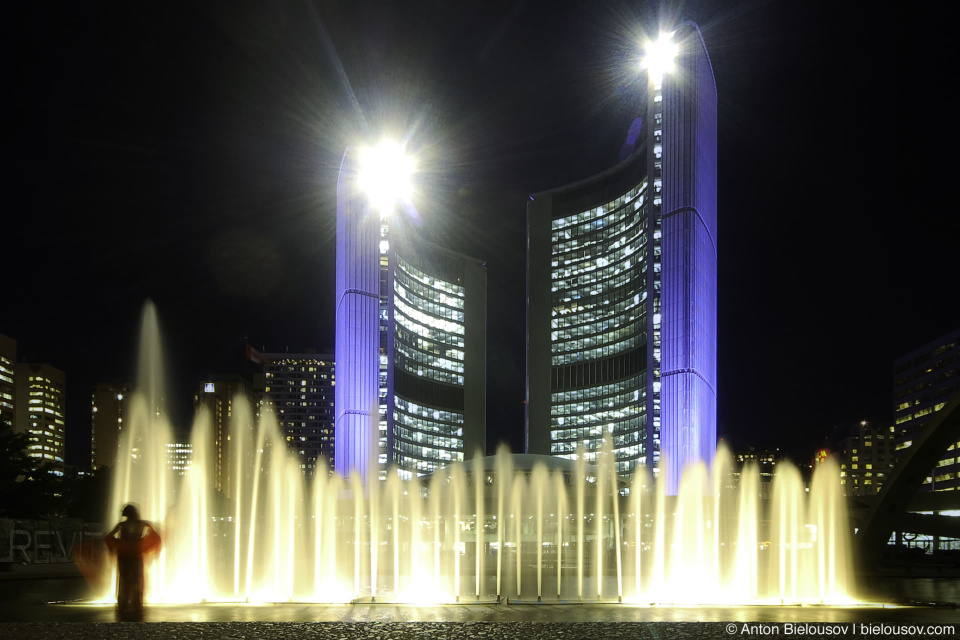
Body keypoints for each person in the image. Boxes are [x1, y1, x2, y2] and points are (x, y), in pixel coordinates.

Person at [104, 504, 161, 613]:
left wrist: (117, 546)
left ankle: (123, 603)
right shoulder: (143, 524)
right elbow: (156, 535)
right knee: (137, 577)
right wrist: (144, 544)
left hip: (124, 555)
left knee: (124, 578)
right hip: (136, 554)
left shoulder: (121, 525)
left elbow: (109, 537)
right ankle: (137, 603)